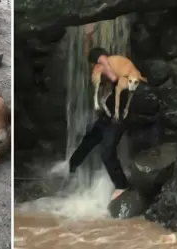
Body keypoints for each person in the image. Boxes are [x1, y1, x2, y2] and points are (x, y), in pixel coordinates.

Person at [69, 24, 129, 200]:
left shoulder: (116, 75)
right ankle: (72, 169)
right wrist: (88, 37)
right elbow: (89, 55)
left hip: (118, 120)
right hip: (105, 119)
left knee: (107, 151)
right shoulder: (98, 70)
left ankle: (122, 186)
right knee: (87, 143)